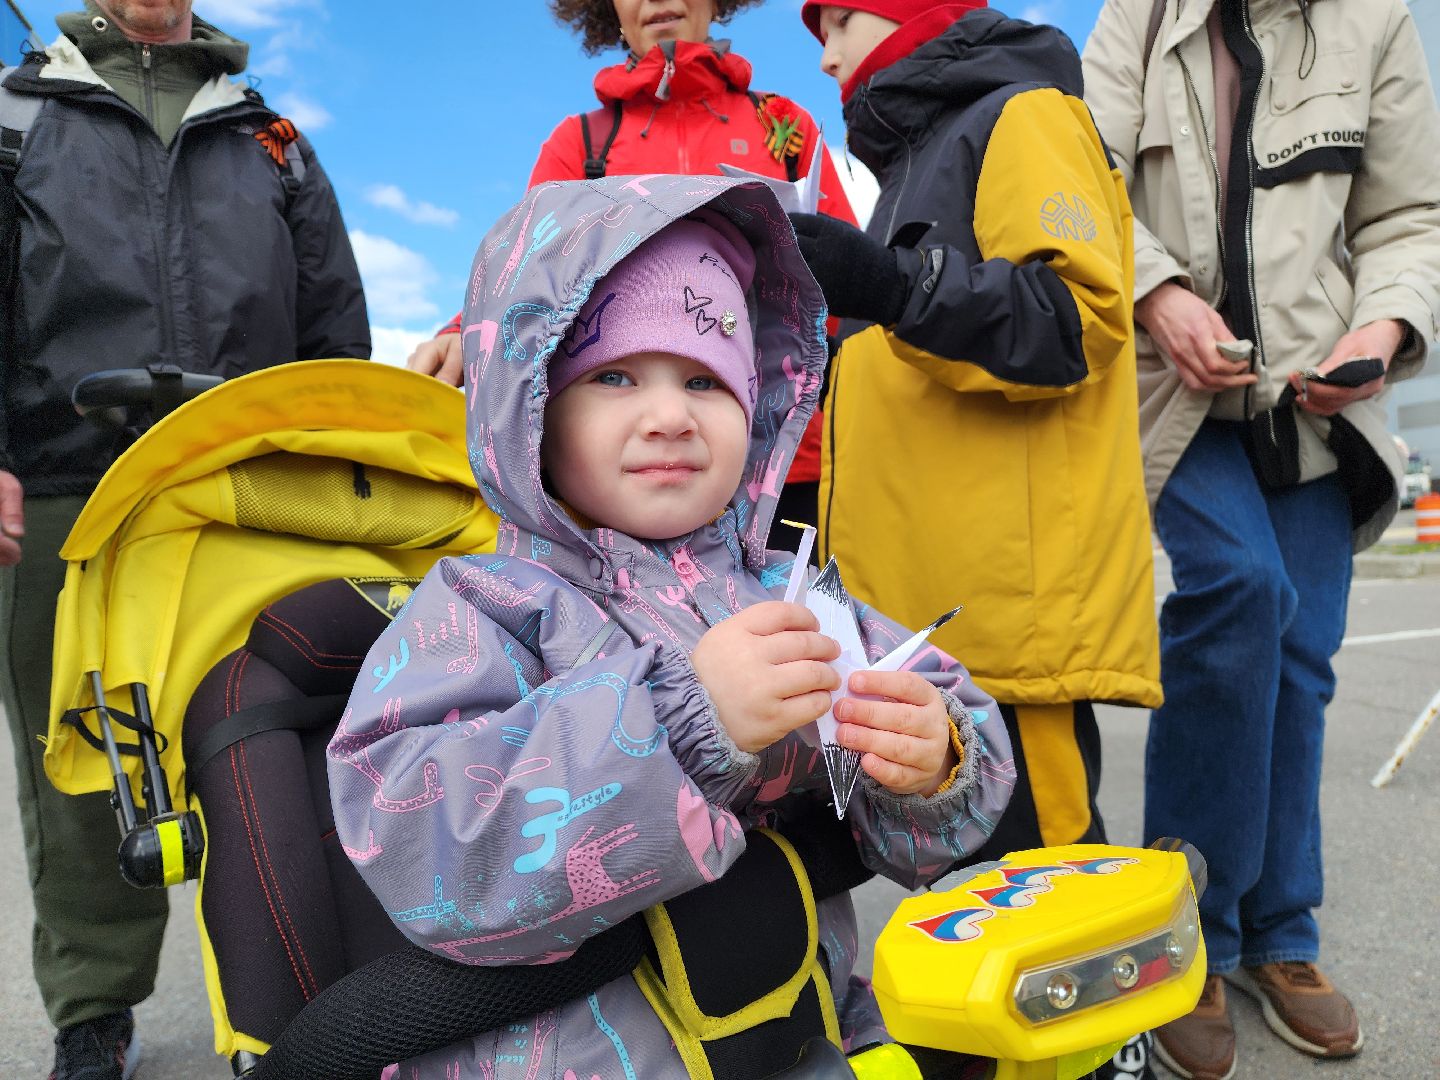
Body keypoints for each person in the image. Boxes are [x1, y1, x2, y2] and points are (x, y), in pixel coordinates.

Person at [328, 175, 1014, 1078]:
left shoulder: (792, 593)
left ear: (758, 407)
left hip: (802, 1031)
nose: (668, 416)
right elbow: (421, 842)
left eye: (705, 380)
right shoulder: (486, 606)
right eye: (613, 376)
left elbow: (951, 750)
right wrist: (684, 725)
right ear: (527, 404)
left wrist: (936, 762)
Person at [0, 2, 369, 1077]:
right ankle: (91, 1012)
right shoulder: (17, 116)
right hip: (68, 488)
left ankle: (284, 1006)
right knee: (81, 764)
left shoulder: (274, 141)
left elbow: (333, 329)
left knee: (264, 743)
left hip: (242, 490)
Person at [1082, 0, 1440, 1075]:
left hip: (1315, 404)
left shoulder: (1377, 22)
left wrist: (1379, 331)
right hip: (1172, 393)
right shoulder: (1132, 20)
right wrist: (1157, 298)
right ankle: (1185, 930)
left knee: (1302, 656)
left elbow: (1408, 218)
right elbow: (1084, 179)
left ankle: (1280, 934)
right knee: (1239, 594)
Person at [790, 0, 1160, 930]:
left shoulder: (1023, 112)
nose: (825, 50)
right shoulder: (916, 162)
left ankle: (1089, 1061)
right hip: (941, 628)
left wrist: (888, 284)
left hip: (1011, 628)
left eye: (836, 18)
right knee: (973, 908)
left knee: (1051, 897)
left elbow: (1075, 320)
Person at [406, 0, 857, 540]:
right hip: (619, 480)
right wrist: (462, 334)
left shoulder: (787, 128)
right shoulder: (582, 142)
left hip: (787, 463)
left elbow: (846, 290)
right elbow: (530, 271)